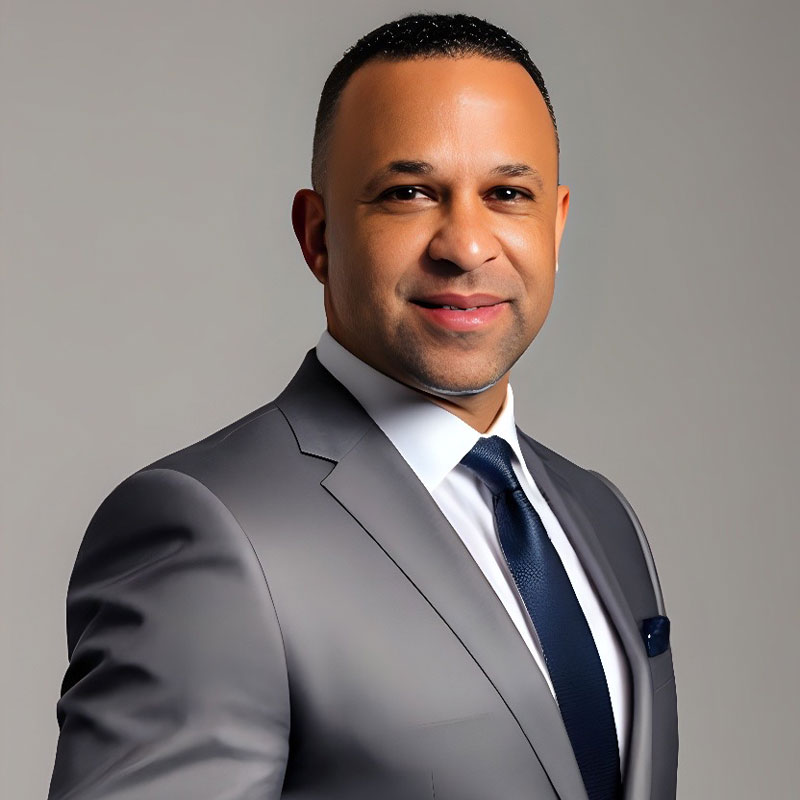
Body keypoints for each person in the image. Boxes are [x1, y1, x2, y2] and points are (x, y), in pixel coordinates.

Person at [47, 12, 677, 800]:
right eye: (409, 193)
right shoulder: (210, 528)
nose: (466, 245)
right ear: (317, 235)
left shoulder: (601, 516)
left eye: (508, 194)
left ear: (556, 225)